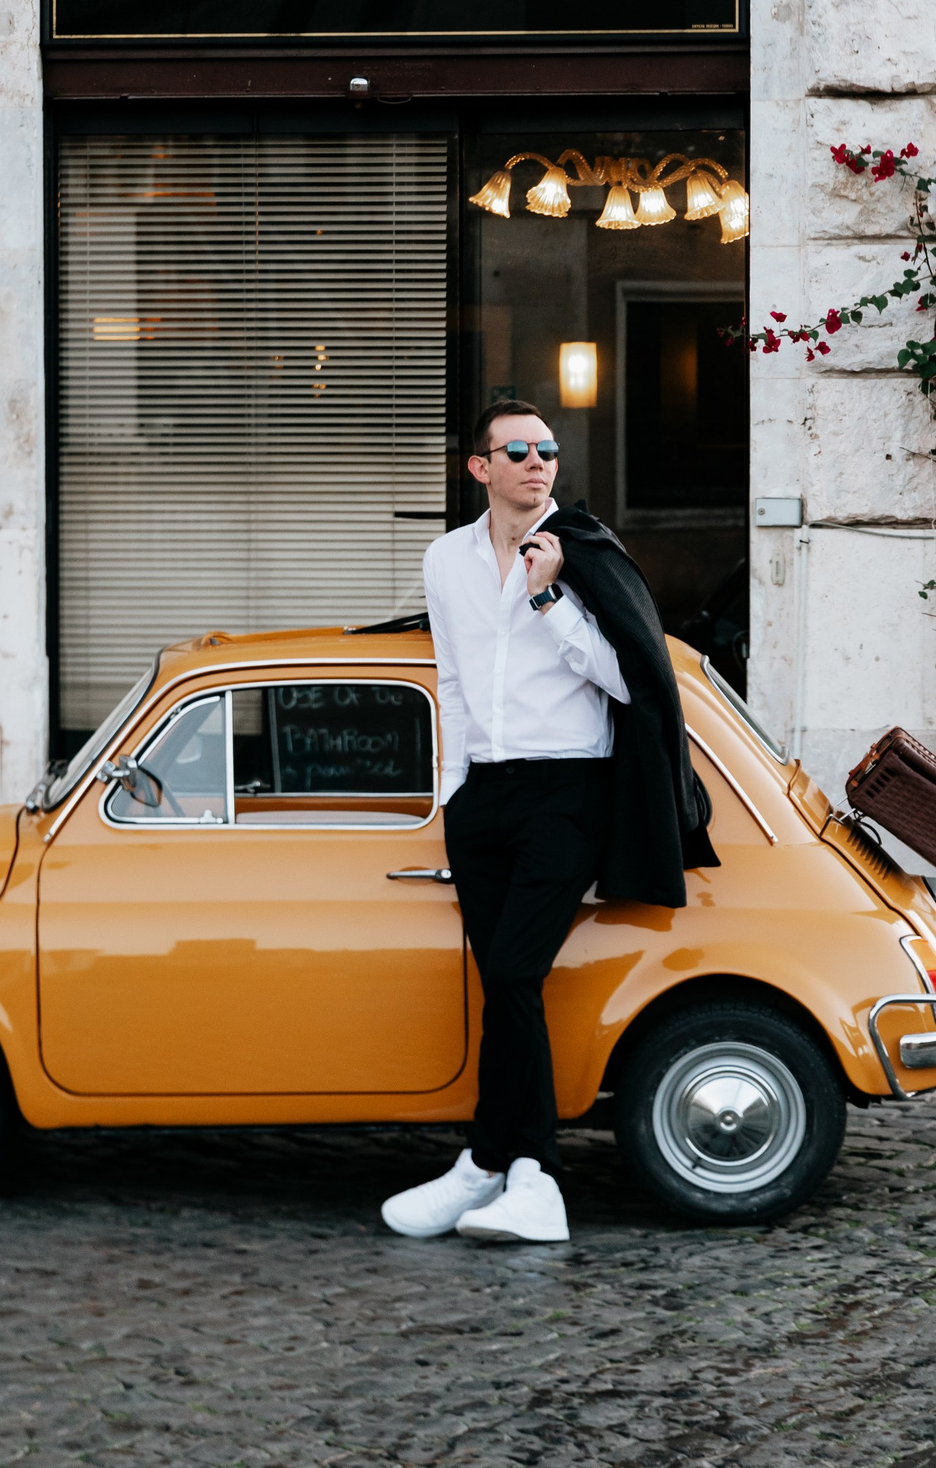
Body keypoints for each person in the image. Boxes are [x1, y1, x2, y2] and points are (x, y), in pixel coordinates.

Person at [380, 400, 718, 1243]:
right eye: (519, 450)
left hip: (570, 792)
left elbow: (631, 678)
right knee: (502, 981)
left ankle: (532, 1175)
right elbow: (451, 681)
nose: (538, 462)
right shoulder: (445, 559)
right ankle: (490, 1167)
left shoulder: (584, 550)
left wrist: (548, 599)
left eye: (549, 450)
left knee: (517, 975)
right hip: (483, 795)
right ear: (480, 468)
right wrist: (453, 789)